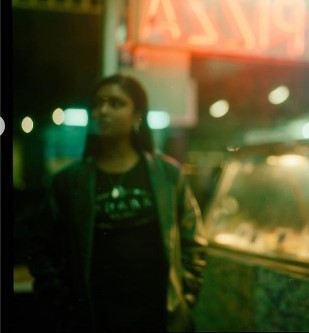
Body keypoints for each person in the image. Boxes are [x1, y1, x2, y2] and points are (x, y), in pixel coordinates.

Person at [28, 74, 207, 332]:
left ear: (137, 116)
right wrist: (62, 303)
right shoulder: (69, 182)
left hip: (158, 317)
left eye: (116, 103)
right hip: (95, 318)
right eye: (98, 104)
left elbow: (194, 241)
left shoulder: (168, 176)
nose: (103, 111)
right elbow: (43, 250)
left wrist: (186, 297)